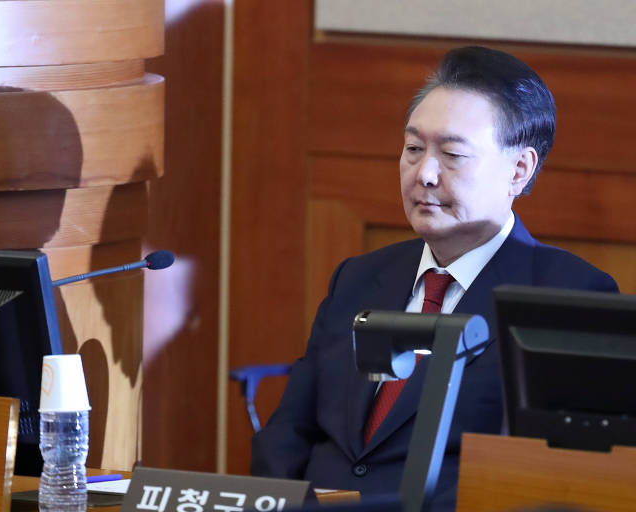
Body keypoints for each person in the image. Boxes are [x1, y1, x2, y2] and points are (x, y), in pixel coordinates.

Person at [249, 46, 619, 511]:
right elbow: (289, 432)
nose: (423, 173)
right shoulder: (359, 278)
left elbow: (541, 477)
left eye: (452, 154)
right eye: (413, 149)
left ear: (519, 171)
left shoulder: (568, 297)